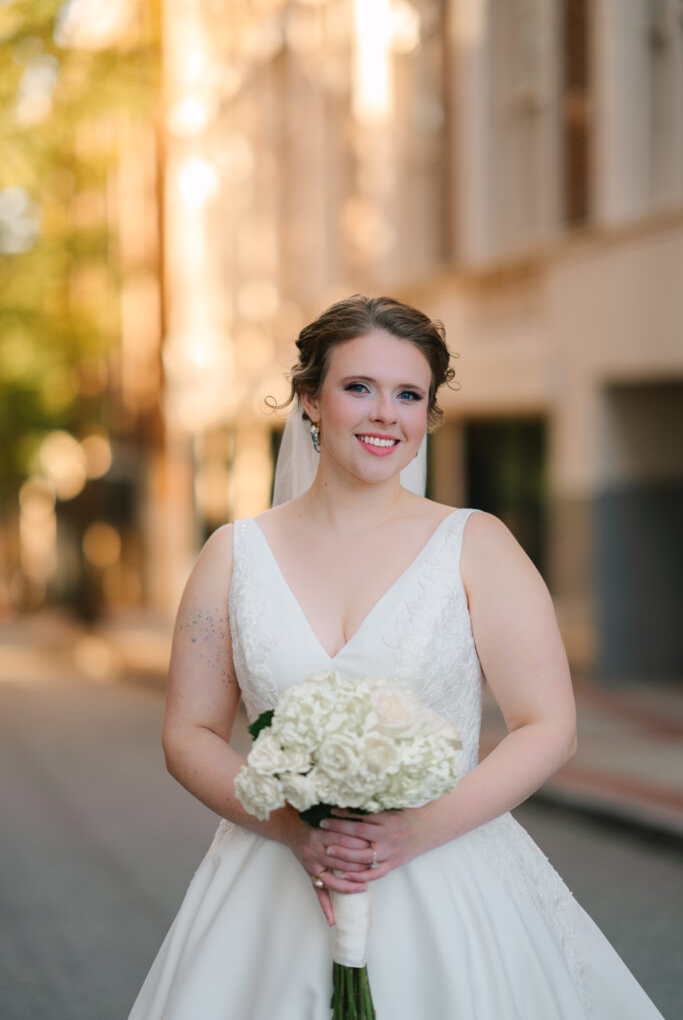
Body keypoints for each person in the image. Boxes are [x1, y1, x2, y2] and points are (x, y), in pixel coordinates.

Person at [128, 294, 666, 1019]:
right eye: (359, 388)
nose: (385, 414)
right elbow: (187, 733)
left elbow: (549, 727)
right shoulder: (233, 556)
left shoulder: (477, 547)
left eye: (408, 395)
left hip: (447, 868)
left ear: (427, 417)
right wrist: (292, 828)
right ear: (310, 400)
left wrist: (411, 833)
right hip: (274, 875)